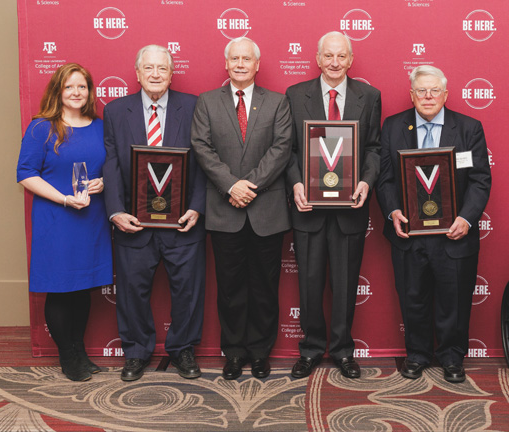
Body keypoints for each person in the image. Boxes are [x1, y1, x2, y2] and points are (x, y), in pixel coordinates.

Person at [375, 65, 492, 383]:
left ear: (446, 93)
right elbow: (384, 179)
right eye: (421, 91)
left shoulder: (469, 128)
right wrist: (393, 211)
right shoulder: (393, 126)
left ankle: (452, 357)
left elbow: (480, 180)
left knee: (454, 298)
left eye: (434, 90)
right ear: (412, 95)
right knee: (412, 296)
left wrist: (467, 218)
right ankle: (417, 355)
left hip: (454, 234)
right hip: (409, 232)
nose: (428, 96)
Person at [191, 37, 293, 381]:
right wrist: (230, 185)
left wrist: (249, 186)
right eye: (234, 58)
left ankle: (261, 353)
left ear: (256, 64)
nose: (239, 64)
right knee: (231, 288)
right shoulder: (207, 102)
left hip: (267, 210)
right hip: (225, 209)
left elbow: (281, 148)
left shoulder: (278, 102)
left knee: (265, 287)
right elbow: (201, 146)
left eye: (246, 59)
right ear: (226, 63)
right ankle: (234, 353)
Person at [103, 45, 206, 382]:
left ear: (171, 73)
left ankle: (183, 350)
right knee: (132, 291)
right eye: (149, 68)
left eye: (162, 68)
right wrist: (116, 211)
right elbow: (113, 163)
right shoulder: (117, 111)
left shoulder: (192, 106)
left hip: (182, 222)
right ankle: (136, 352)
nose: (156, 74)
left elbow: (206, 160)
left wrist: (196, 206)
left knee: (188, 290)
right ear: (137, 73)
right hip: (134, 221)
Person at [284, 31, 381, 379]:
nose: (335, 63)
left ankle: (342, 351)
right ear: (317, 57)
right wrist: (296, 183)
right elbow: (290, 149)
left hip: (349, 211)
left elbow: (373, 148)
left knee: (344, 285)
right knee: (309, 284)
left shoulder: (369, 96)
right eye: (328, 56)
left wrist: (366, 182)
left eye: (341, 56)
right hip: (307, 209)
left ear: (351, 60)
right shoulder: (296, 95)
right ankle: (310, 349)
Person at [17, 63, 112, 381]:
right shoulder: (41, 128)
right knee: (60, 289)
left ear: (89, 91)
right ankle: (68, 356)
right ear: (58, 91)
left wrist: (102, 183)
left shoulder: (100, 126)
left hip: (90, 218)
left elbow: (110, 168)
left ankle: (79, 351)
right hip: (57, 219)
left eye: (82, 87)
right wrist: (63, 198)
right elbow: (25, 174)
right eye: (69, 87)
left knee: (82, 288)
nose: (76, 92)